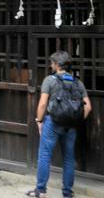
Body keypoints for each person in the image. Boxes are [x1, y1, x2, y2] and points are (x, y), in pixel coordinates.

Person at [27, 51, 92, 198]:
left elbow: (43, 103)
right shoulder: (78, 83)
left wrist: (39, 121)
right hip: (71, 126)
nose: (50, 65)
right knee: (69, 158)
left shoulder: (49, 80)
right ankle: (67, 193)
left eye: (52, 63)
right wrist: (76, 120)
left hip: (53, 123)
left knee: (44, 155)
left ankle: (41, 190)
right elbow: (88, 107)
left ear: (57, 65)